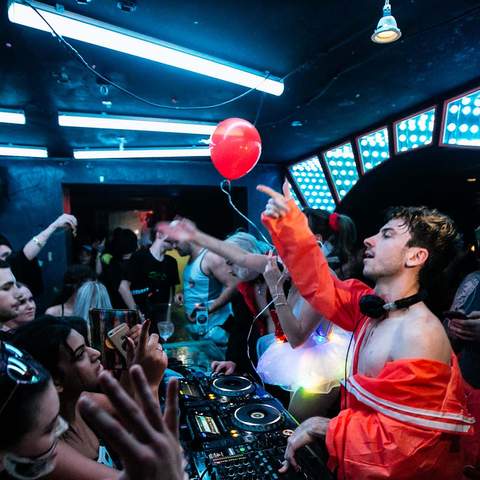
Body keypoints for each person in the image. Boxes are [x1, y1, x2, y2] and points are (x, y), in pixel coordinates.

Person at [258, 182, 473, 479]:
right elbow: (322, 285)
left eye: (386, 235)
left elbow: (406, 447)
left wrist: (327, 426)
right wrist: (291, 226)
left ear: (415, 257)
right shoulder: (372, 308)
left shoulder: (418, 335)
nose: (369, 240)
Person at [11, 316, 167, 465]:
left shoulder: (82, 402)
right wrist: (150, 383)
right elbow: (159, 462)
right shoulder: (46, 451)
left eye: (87, 345)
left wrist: (133, 366)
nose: (96, 353)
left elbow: (130, 410)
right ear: (56, 381)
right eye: (80, 354)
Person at [173, 231, 238, 346]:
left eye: (176, 242)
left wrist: (207, 309)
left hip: (216, 331)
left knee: (220, 364)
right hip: (200, 332)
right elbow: (199, 286)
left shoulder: (210, 257)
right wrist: (183, 294)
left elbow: (234, 285)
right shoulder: (191, 259)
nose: (173, 247)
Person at [0, 214, 77, 296]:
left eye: (7, 256)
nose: (4, 263)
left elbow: (24, 255)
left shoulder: (17, 265)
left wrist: (53, 227)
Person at [119, 225, 179, 327]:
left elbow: (170, 295)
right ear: (159, 234)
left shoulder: (171, 262)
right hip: (140, 320)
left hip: (160, 320)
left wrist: (167, 319)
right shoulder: (139, 257)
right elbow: (123, 287)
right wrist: (136, 312)